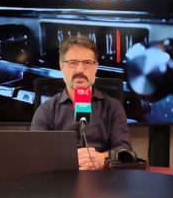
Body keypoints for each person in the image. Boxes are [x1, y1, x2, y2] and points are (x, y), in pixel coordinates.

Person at [30, 35, 132, 170]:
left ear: (96, 67)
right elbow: (35, 154)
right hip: (60, 183)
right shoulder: (46, 109)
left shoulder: (112, 107)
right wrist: (68, 160)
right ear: (61, 66)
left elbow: (124, 151)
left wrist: (103, 159)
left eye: (87, 63)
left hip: (103, 182)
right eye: (73, 62)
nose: (80, 70)